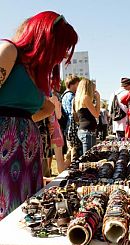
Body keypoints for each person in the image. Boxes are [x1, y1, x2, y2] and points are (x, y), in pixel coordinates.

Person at [0, 11, 78, 220]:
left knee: (23, 217)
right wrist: (10, 126)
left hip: (26, 154)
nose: (63, 55)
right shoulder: (8, 51)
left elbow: (47, 108)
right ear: (46, 38)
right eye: (63, 46)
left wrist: (20, 127)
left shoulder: (33, 73)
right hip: (5, 153)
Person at [74, 78, 100, 154]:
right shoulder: (85, 98)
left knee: (86, 157)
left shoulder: (77, 99)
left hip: (83, 130)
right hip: (88, 132)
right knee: (88, 157)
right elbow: (96, 114)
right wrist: (98, 99)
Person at [61, 75, 80, 167]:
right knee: (74, 150)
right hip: (72, 127)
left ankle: (67, 168)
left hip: (68, 126)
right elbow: (73, 113)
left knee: (70, 149)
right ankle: (72, 168)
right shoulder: (71, 96)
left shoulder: (64, 95)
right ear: (72, 84)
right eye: (77, 84)